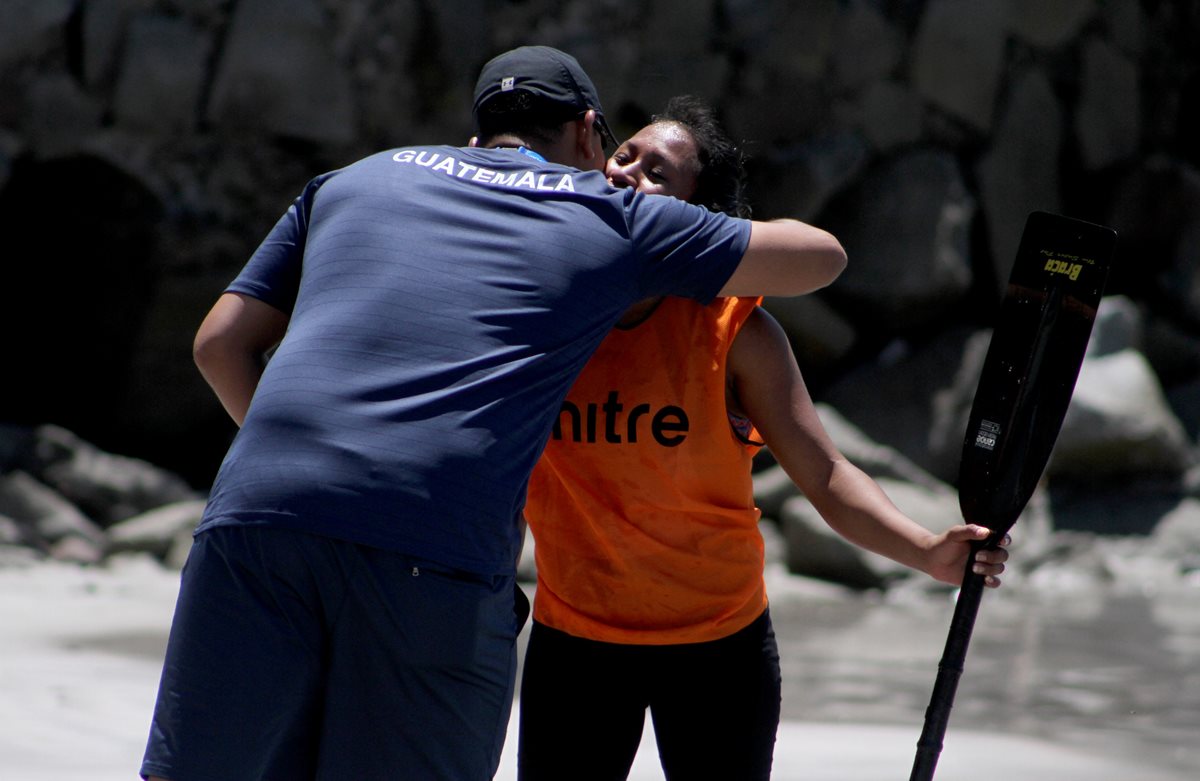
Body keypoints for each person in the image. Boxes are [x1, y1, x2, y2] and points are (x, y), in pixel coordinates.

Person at [139, 47, 848, 781]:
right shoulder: (602, 212)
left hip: (254, 515)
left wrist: (302, 476)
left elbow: (219, 343)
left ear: (479, 132)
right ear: (586, 133)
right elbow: (821, 257)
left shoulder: (351, 180)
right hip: (430, 542)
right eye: (615, 150)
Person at [516, 96, 1010, 781]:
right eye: (623, 155)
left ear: (697, 220)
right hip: (575, 641)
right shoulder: (543, 312)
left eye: (658, 172)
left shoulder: (736, 332)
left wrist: (926, 551)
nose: (627, 173)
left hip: (718, 647)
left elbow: (826, 473)